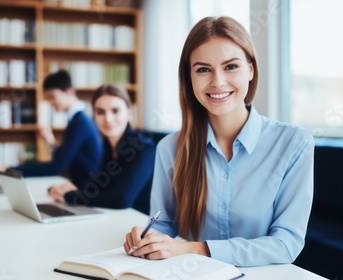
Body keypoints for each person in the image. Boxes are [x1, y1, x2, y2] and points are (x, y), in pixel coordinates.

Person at [123, 16, 314, 266]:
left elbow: (286, 244)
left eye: (230, 66)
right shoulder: (170, 148)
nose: (218, 82)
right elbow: (164, 224)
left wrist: (195, 248)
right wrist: (148, 237)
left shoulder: (293, 143)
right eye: (203, 69)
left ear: (251, 69)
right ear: (189, 77)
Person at [0, 70, 103, 187]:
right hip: (81, 185)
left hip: (87, 189)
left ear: (69, 91)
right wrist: (51, 142)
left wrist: (8, 169)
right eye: (47, 98)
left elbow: (58, 166)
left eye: (52, 96)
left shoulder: (80, 122)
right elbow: (63, 159)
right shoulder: (78, 119)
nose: (50, 102)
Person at [48, 84, 156, 214]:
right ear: (94, 116)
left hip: (145, 223)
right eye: (100, 112)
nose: (108, 119)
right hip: (121, 218)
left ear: (129, 113)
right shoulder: (109, 144)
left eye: (115, 111)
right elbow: (101, 184)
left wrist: (71, 195)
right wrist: (69, 189)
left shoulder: (143, 147)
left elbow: (121, 199)